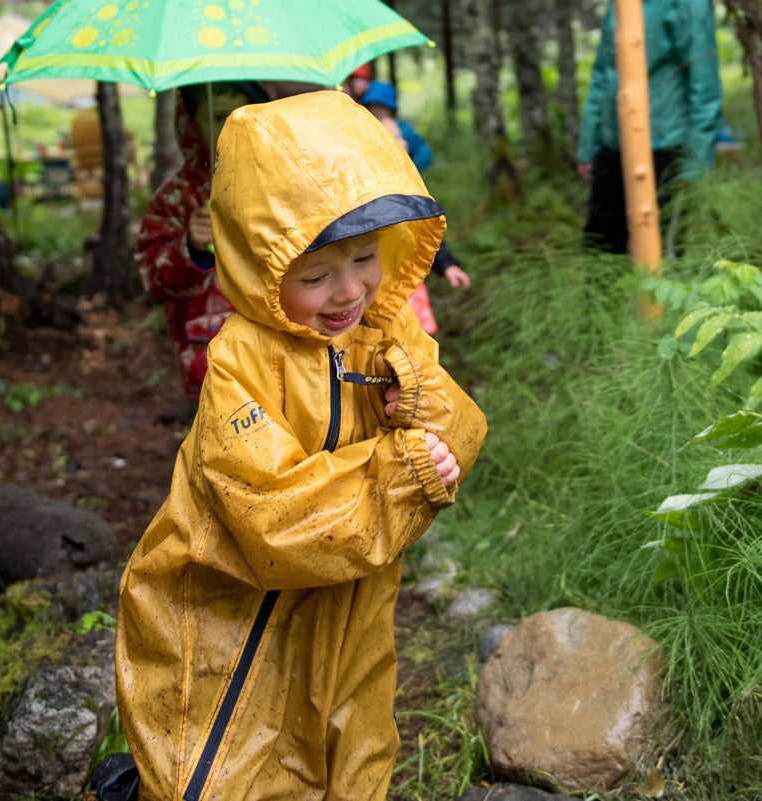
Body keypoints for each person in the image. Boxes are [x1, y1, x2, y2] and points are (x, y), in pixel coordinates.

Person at [113, 90, 488, 801]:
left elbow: (459, 421)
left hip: (351, 601)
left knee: (354, 740)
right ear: (260, 263)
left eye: (365, 258)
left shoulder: (383, 333)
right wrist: (400, 474)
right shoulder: (240, 363)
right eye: (315, 275)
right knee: (225, 756)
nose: (349, 291)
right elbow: (272, 515)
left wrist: (420, 407)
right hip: (233, 612)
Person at [134, 81, 266, 414]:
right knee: (222, 438)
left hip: (275, 343)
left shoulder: (274, 182)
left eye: (240, 114)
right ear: (190, 125)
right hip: (208, 352)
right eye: (218, 116)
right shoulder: (175, 199)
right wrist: (190, 247)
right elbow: (154, 278)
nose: (230, 126)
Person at [576, 0, 722, 255]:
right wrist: (588, 145)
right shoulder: (619, 5)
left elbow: (705, 87)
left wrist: (694, 164)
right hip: (612, 146)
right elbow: (602, 73)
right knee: (600, 247)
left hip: (664, 148)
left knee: (664, 251)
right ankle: (612, 296)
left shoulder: (689, 5)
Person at [359, 79, 470, 333]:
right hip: (375, 286)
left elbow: (426, 229)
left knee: (413, 338)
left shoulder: (411, 192)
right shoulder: (365, 193)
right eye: (393, 138)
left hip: (407, 283)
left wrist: (447, 264)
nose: (402, 142)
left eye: (400, 136)